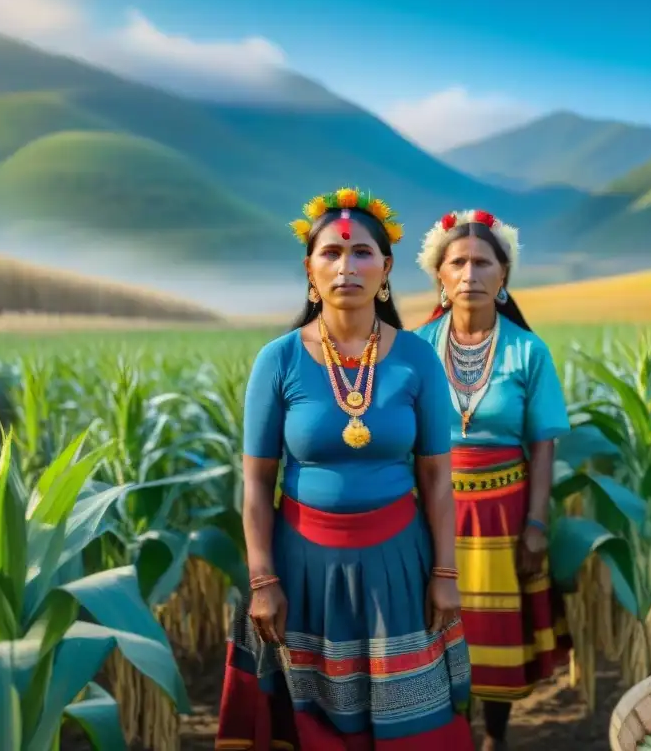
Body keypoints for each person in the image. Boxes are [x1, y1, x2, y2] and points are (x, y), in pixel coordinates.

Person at [215, 187, 474, 751]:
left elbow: (435, 476)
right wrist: (263, 580)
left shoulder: (416, 358)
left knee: (413, 725)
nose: (346, 266)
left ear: (385, 269)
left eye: (361, 254)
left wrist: (446, 575)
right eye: (331, 253)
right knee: (312, 723)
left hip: (398, 567)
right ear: (310, 269)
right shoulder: (278, 360)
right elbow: (258, 483)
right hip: (302, 568)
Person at [413, 210, 573, 751]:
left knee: (494, 633)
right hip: (432, 508)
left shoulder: (528, 351)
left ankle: (495, 738)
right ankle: (450, 731)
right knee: (438, 625)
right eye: (457, 262)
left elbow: (543, 445)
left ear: (504, 276)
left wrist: (536, 523)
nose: (469, 273)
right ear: (439, 274)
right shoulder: (414, 348)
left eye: (483, 262)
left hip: (503, 513)